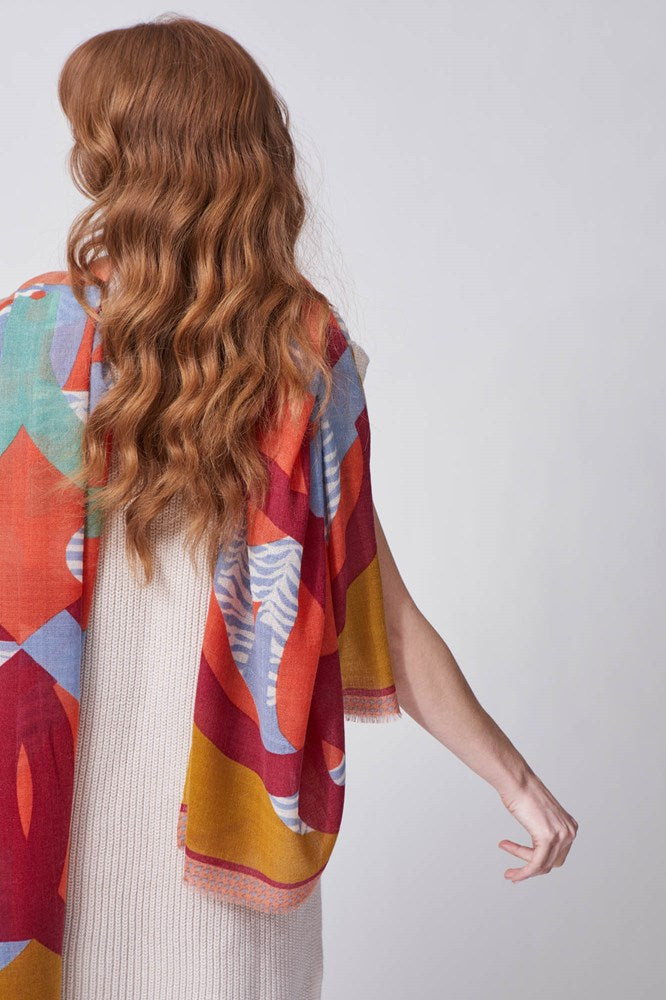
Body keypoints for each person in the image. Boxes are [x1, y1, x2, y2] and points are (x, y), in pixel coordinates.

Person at [0, 14, 577, 1000]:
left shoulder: (28, 344)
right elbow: (384, 607)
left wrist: (516, 778)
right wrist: (517, 784)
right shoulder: (300, 359)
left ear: (128, 157)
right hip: (212, 864)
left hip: (58, 864)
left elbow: (375, 603)